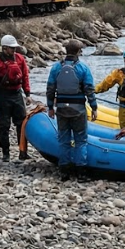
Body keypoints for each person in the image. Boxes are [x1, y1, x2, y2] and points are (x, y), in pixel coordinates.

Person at [46, 40, 96, 181]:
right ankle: (81, 173)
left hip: (61, 109)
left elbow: (50, 89)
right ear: (79, 52)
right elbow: (89, 90)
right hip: (78, 110)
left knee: (64, 140)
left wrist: (50, 107)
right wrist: (94, 107)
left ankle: (64, 172)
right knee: (81, 141)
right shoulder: (83, 68)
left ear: (66, 50)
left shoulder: (56, 68)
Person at [0, 34, 31, 162]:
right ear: (4, 48)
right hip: (3, 95)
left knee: (21, 124)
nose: (14, 50)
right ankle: (5, 153)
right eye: (12, 48)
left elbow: (25, 76)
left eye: (15, 48)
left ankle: (23, 152)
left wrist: (27, 94)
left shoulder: (20, 59)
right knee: (4, 125)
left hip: (17, 94)